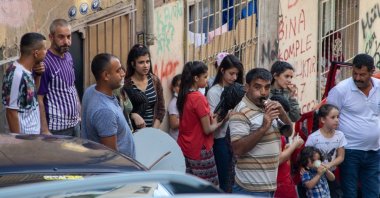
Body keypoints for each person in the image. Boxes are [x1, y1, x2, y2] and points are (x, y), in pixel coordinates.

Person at [229, 68, 292, 197]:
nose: (263, 92)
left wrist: (283, 113)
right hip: (250, 189)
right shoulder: (240, 112)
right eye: (257, 87)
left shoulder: (268, 105)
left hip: (268, 187)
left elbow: (288, 133)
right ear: (247, 87)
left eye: (267, 87)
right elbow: (238, 149)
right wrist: (264, 127)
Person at [327, 53, 380, 198]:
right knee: (349, 193)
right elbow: (327, 117)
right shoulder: (341, 90)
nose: (357, 78)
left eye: (362, 74)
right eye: (355, 73)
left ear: (372, 71)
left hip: (374, 151)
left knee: (373, 193)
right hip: (349, 151)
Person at [176, 61, 223, 185]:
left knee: (190, 187)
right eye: (205, 76)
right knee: (208, 189)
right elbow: (207, 129)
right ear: (196, 78)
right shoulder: (198, 97)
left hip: (185, 147)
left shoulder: (184, 94)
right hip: (200, 149)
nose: (207, 80)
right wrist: (221, 122)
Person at [81, 53, 135, 159]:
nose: (123, 74)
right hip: (120, 169)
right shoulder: (105, 111)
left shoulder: (91, 90)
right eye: (118, 70)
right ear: (106, 75)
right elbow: (111, 157)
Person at [206, 54, 244, 192]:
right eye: (231, 73)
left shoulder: (238, 89)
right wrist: (228, 115)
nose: (234, 78)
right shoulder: (214, 92)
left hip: (237, 138)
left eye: (236, 74)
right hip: (221, 141)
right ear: (222, 71)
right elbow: (213, 120)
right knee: (225, 180)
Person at [38, 19, 81, 136]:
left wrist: (80, 113)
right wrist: (45, 130)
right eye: (61, 37)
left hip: (75, 123)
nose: (66, 42)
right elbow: (39, 98)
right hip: (57, 129)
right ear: (51, 37)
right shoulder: (44, 63)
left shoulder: (68, 56)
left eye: (68, 37)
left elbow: (71, 86)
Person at [2, 32, 47, 134]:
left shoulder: (27, 70)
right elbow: (11, 112)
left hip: (32, 137)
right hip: (24, 140)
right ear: (36, 53)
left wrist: (38, 75)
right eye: (44, 49)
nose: (46, 52)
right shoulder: (17, 75)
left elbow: (31, 96)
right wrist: (18, 144)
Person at [305, 104, 347, 198]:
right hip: (315, 176)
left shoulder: (340, 135)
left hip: (332, 174)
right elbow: (306, 156)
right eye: (333, 117)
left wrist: (329, 165)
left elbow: (341, 156)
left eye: (337, 117)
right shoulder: (313, 137)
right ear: (323, 120)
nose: (337, 120)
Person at [123, 44, 165, 130]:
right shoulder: (126, 84)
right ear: (133, 64)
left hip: (152, 132)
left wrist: (153, 130)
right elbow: (121, 110)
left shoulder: (155, 81)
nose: (146, 66)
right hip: (133, 133)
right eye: (141, 62)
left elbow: (161, 109)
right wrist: (133, 115)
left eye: (148, 61)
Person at [167, 74, 181, 140]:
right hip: (176, 139)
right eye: (179, 86)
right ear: (174, 88)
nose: (182, 88)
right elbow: (173, 124)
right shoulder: (173, 104)